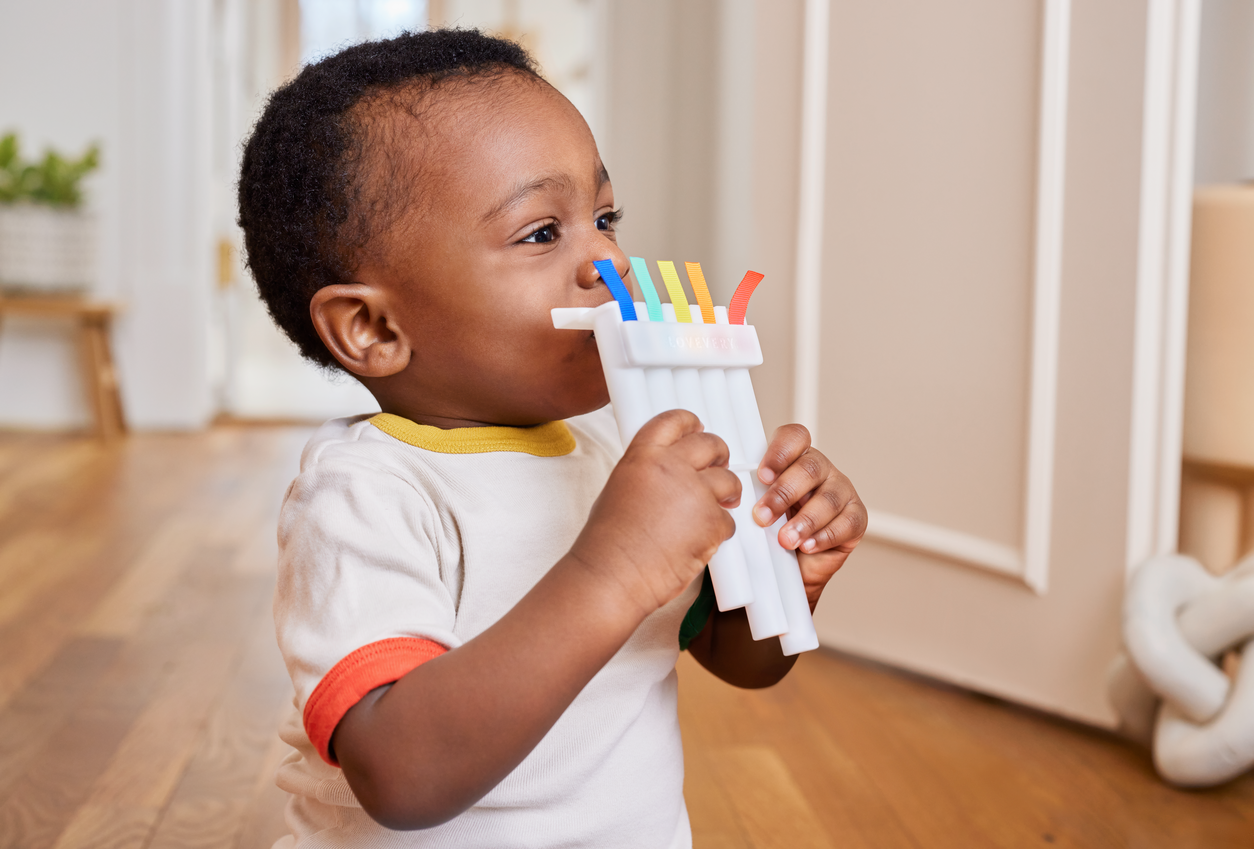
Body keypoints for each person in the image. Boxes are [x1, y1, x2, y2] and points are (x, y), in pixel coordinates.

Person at [237, 28, 866, 848]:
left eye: (605, 216)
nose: (606, 258)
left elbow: (739, 659)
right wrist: (613, 568)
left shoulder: (621, 441)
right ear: (373, 327)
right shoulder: (366, 496)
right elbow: (401, 774)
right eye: (542, 233)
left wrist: (784, 572)